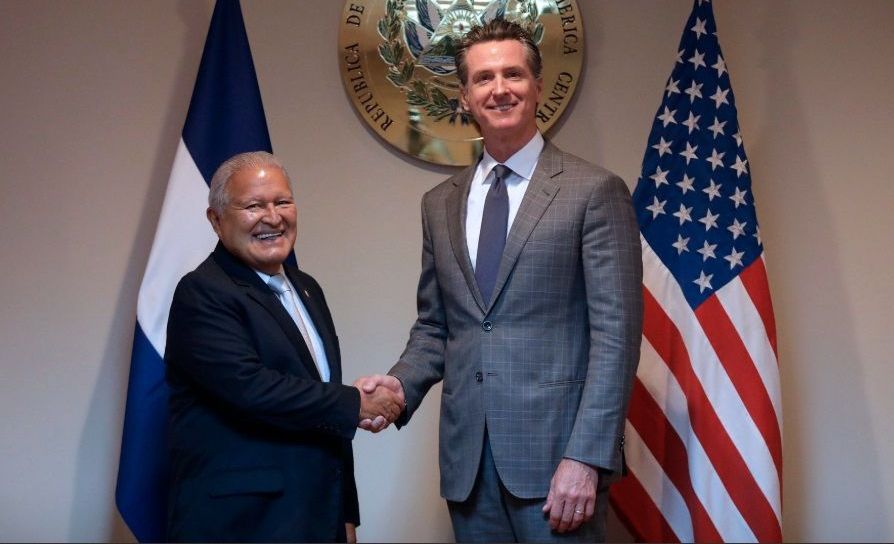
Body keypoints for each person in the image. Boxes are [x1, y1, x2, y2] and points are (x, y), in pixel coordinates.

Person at [357, 19, 643, 542]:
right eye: (483, 78)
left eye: (513, 74)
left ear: (537, 86)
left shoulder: (594, 191)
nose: (500, 89)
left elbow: (616, 339)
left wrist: (587, 457)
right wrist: (398, 386)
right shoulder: (439, 204)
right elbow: (436, 327)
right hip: (468, 469)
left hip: (559, 467)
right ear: (464, 96)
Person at [164, 151, 402, 543]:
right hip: (243, 524)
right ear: (216, 220)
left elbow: (324, 414)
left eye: (282, 202)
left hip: (317, 517)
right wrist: (356, 403)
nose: (273, 218)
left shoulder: (307, 288)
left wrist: (346, 513)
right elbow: (252, 388)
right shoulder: (202, 292)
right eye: (253, 206)